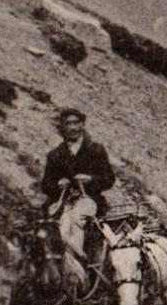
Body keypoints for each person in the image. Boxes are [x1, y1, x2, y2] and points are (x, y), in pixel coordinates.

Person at [38, 108, 116, 259]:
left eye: (76, 123)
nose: (72, 127)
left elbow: (109, 179)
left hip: (89, 199)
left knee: (77, 219)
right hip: (63, 202)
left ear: (83, 124)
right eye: (68, 124)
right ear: (62, 127)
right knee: (60, 223)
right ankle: (56, 263)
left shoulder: (96, 150)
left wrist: (91, 179)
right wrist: (58, 184)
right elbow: (45, 185)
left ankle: (75, 261)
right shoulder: (55, 155)